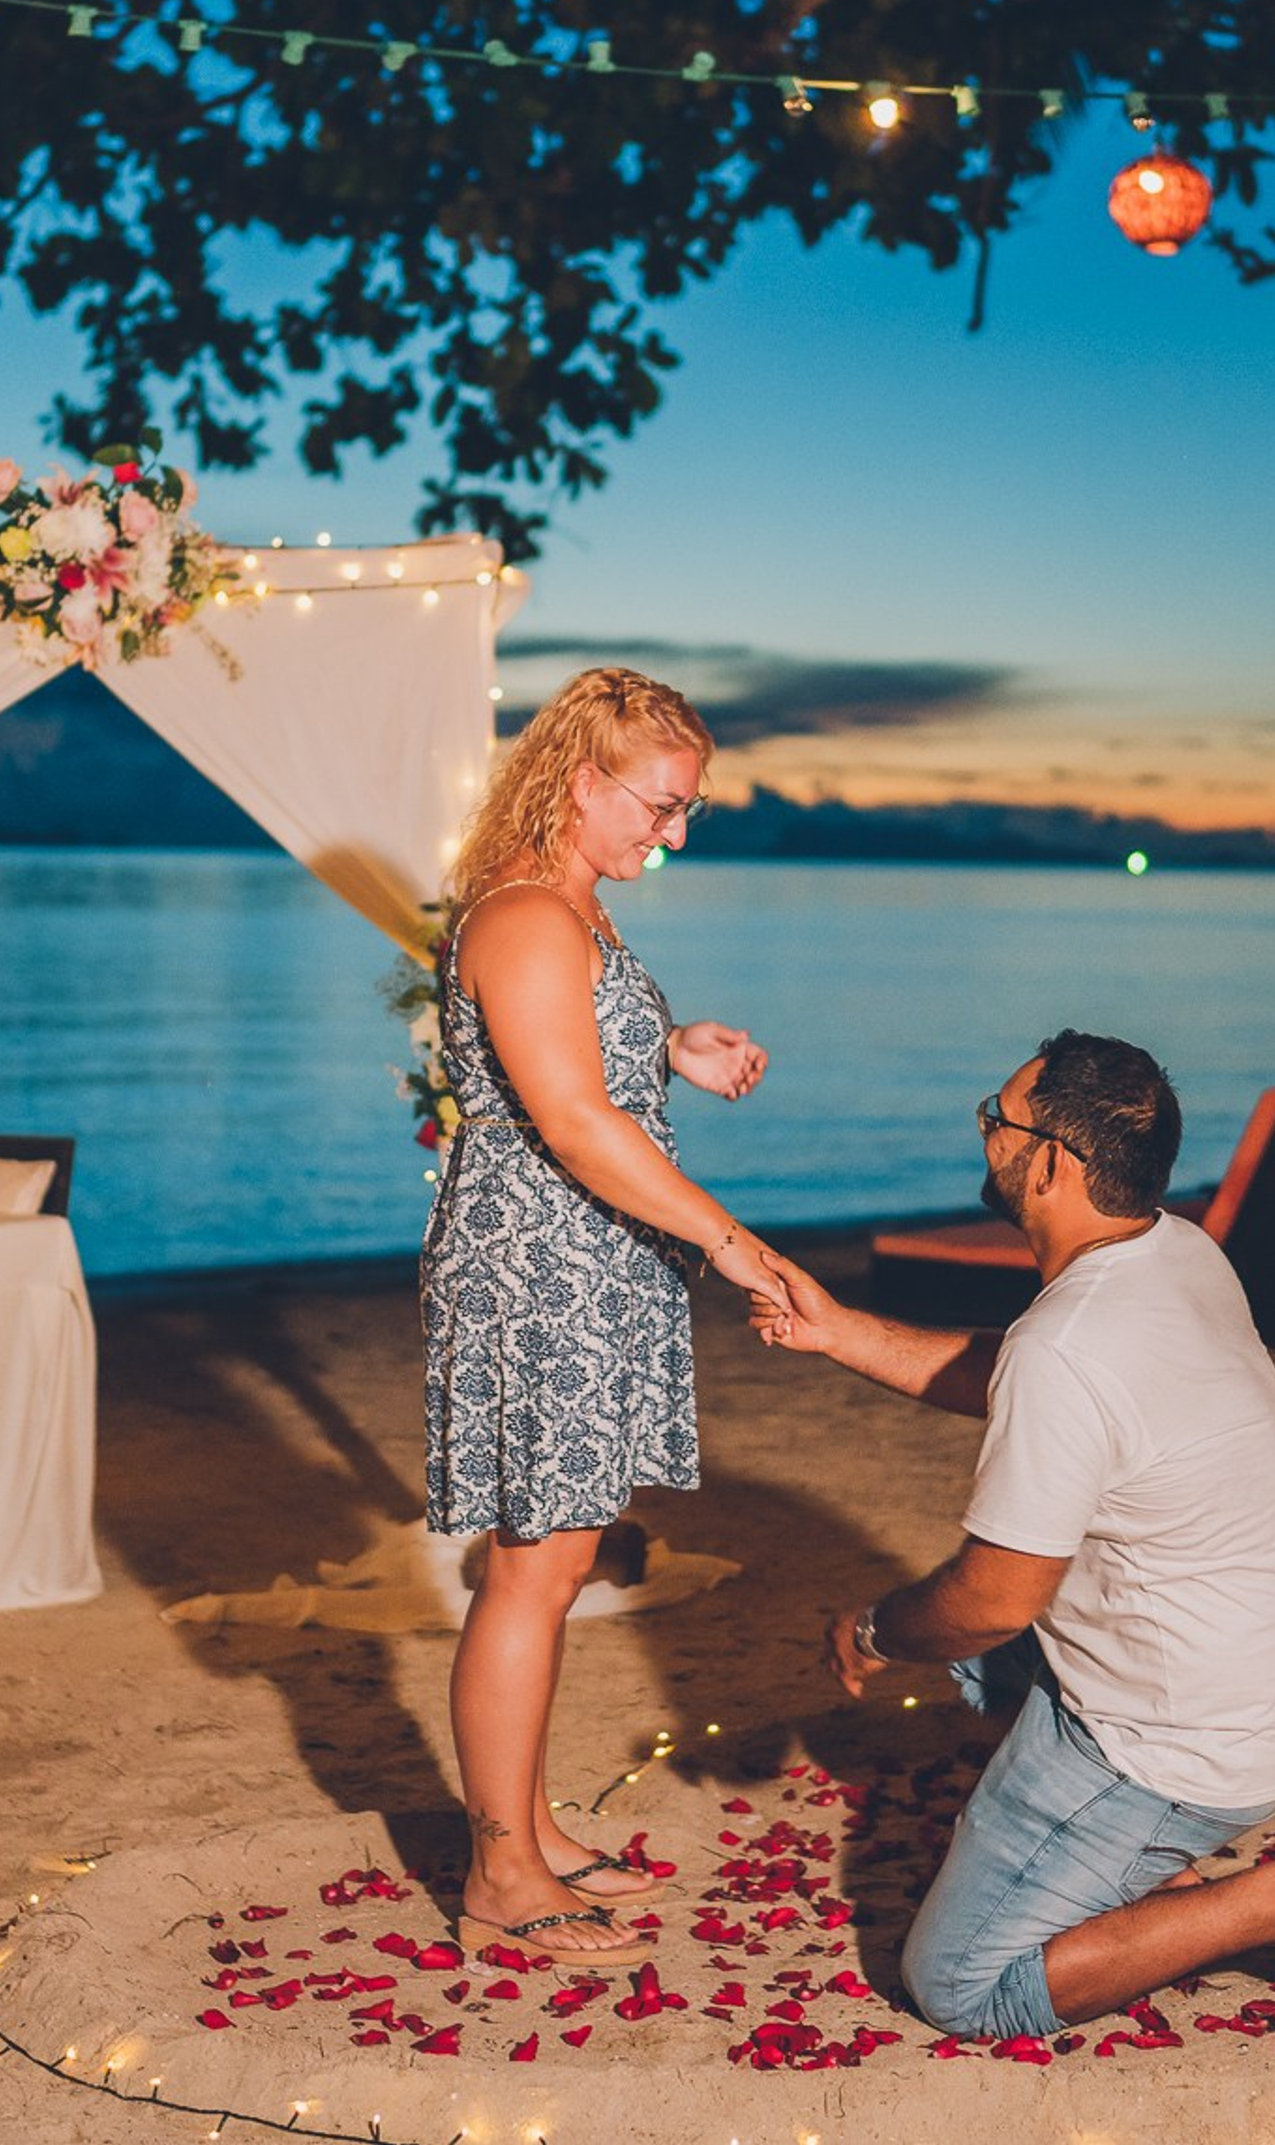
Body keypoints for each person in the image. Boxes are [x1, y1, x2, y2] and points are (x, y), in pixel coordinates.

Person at [754, 1030, 1275, 2040]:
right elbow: (1029, 1379)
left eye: (995, 1120)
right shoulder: (1175, 1251)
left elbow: (993, 1600)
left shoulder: (1068, 1344)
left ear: (1048, 1162)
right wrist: (838, 1329)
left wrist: (870, 1629)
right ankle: (1042, 1803)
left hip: (1176, 1744)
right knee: (976, 1645)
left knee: (958, 1982)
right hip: (1262, 1679)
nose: (984, 1133)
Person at [424, 665, 789, 1965]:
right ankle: (503, 1872)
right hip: (541, 1271)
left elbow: (572, 1064)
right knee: (533, 1570)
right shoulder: (529, 913)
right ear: (581, 779)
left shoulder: (573, 908)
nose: (672, 833)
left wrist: (670, 1045)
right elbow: (573, 1125)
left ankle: (524, 1820)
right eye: (660, 804)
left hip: (587, 1267)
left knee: (563, 1561)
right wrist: (731, 1241)